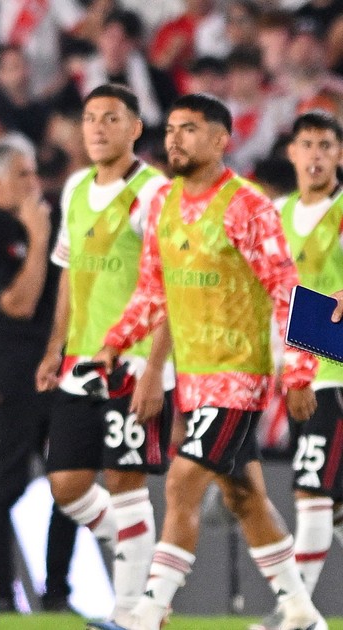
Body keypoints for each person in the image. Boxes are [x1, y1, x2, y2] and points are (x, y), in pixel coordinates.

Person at [88, 93, 326, 630]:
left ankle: (147, 613)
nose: (174, 139)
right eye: (171, 129)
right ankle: (299, 610)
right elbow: (153, 289)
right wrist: (116, 341)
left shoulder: (248, 207)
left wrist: (300, 372)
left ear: (221, 141)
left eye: (189, 129)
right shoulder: (163, 203)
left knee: (181, 483)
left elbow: (290, 291)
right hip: (194, 380)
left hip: (239, 378)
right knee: (244, 496)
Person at [34, 84, 172, 626]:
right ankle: (148, 573)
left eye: (111, 118)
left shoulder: (154, 192)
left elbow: (171, 285)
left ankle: (130, 612)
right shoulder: (75, 187)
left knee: (125, 483)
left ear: (135, 128)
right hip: (82, 361)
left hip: (135, 361)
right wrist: (56, 347)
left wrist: (156, 369)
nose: (96, 128)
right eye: (90, 118)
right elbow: (69, 274)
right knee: (66, 485)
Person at [0, 142, 77, 613]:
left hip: (59, 371)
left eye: (33, 173)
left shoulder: (54, 221)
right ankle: (3, 597)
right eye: (23, 175)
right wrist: (39, 241)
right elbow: (19, 305)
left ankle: (58, 593)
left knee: (68, 482)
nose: (34, 183)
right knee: (8, 484)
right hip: (11, 378)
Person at [255, 110, 343, 630]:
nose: (315, 155)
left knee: (311, 490)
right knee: (333, 501)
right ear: (291, 153)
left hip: (334, 373)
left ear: (339, 155)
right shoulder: (277, 214)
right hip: (297, 371)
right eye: (307, 144)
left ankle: (298, 614)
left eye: (325, 145)